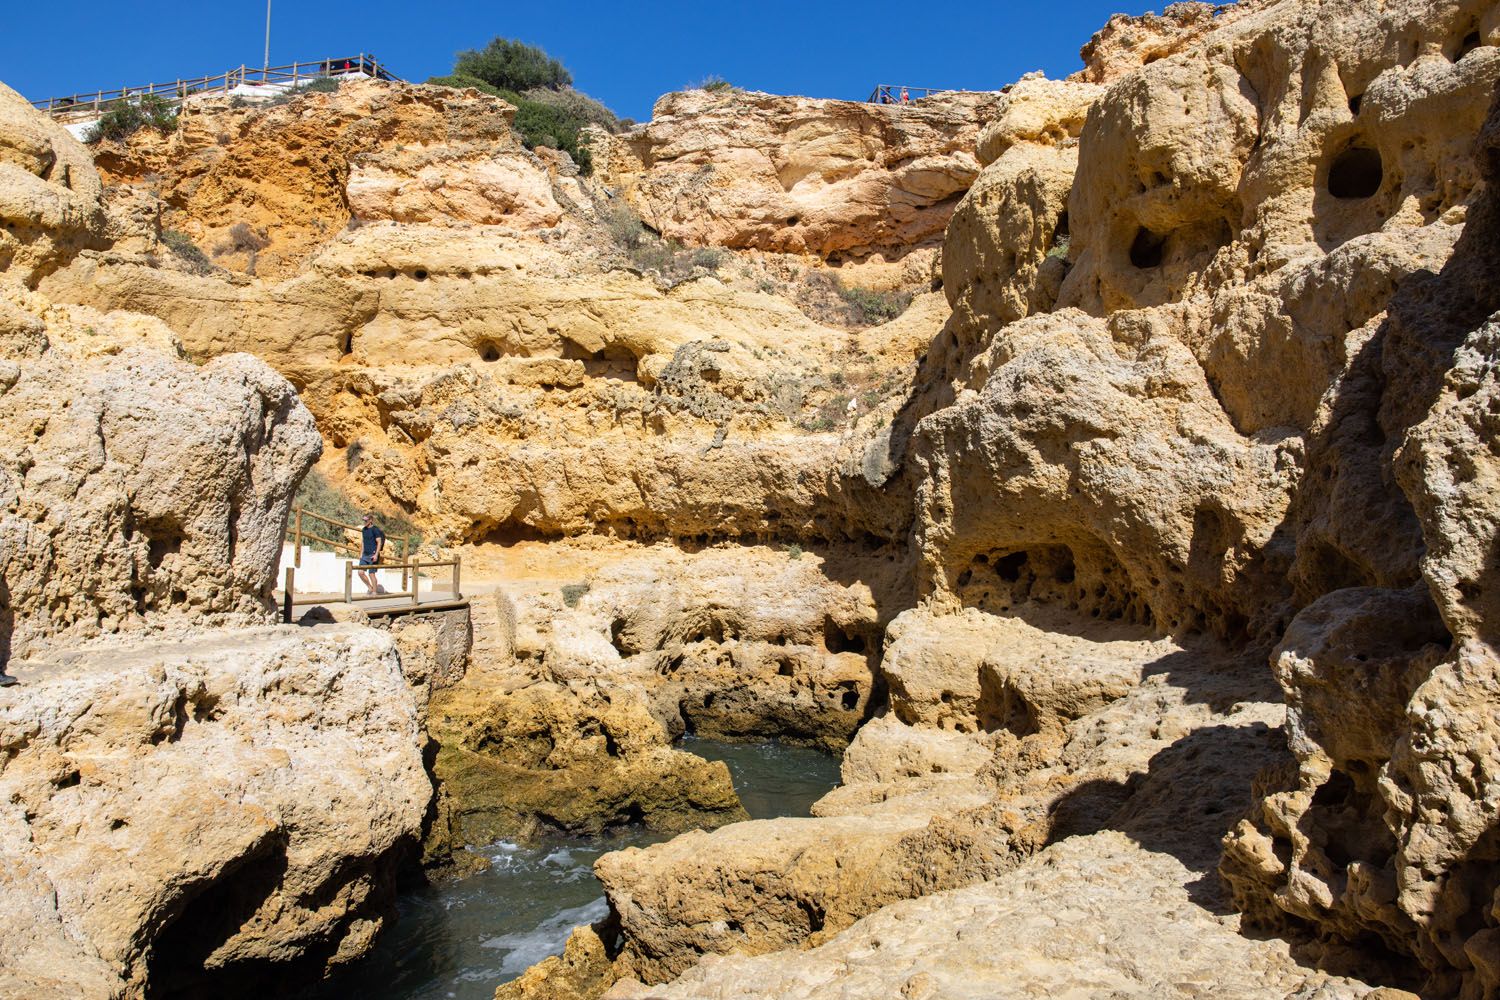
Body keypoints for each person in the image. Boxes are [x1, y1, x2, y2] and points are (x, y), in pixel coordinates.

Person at [358, 513, 386, 596]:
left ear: (370, 520)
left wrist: (376, 554)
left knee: (371, 574)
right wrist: (361, 553)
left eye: (366, 520)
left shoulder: (375, 530)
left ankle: (374, 591)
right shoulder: (364, 530)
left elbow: (379, 542)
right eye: (364, 520)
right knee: (360, 572)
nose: (364, 522)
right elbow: (363, 542)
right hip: (365, 555)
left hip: (373, 554)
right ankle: (370, 587)